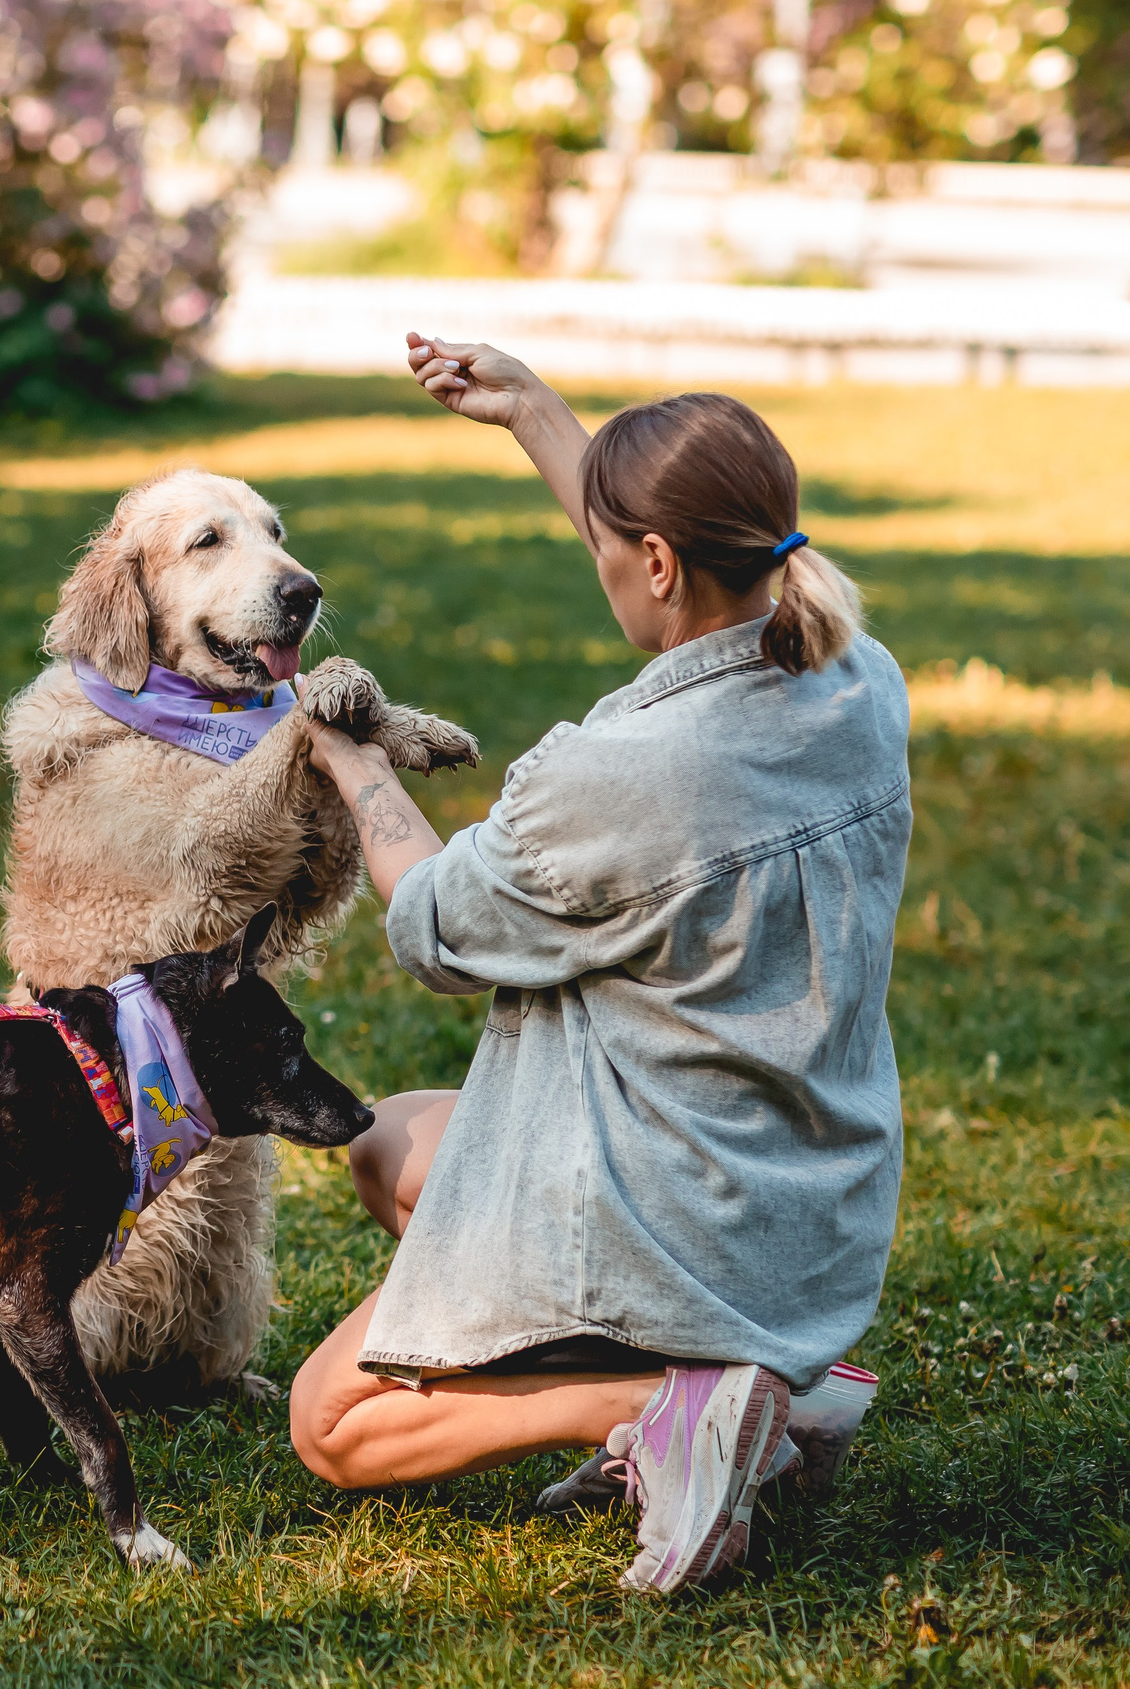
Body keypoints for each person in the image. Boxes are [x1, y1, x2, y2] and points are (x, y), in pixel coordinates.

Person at [286, 335, 912, 1594]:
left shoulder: (618, 778)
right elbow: (669, 545)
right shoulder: (853, 676)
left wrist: (352, 761)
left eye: (610, 545)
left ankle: (677, 1402)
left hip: (673, 1215)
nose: (603, 561)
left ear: (659, 562)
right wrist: (530, 411)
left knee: (333, 1427)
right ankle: (778, 1389)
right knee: (390, 1145)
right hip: (797, 1202)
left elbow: (437, 926)